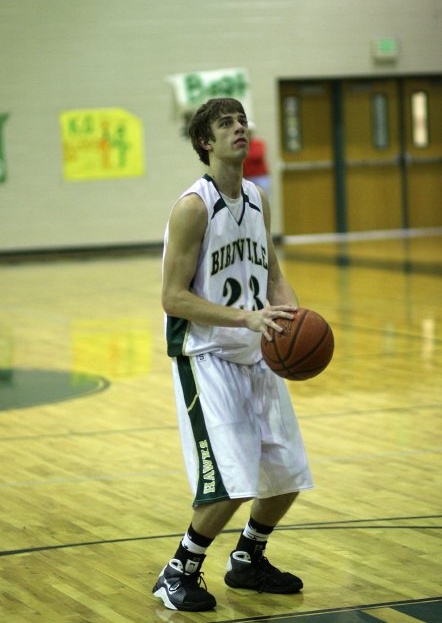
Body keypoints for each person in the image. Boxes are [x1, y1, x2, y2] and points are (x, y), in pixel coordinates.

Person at [152, 97, 313, 612]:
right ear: (206, 142)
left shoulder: (259, 199)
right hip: (206, 355)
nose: (239, 129)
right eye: (227, 124)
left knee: (288, 473)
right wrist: (245, 317)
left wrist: (291, 315)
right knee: (231, 480)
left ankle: (247, 559)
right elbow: (173, 297)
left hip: (256, 349)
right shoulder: (193, 208)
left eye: (242, 121)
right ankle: (178, 571)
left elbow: (272, 271)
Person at [242, 121, 270, 196]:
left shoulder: (259, 143)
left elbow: (258, 155)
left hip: (260, 177)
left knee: (263, 199)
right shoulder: (242, 145)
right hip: (247, 178)